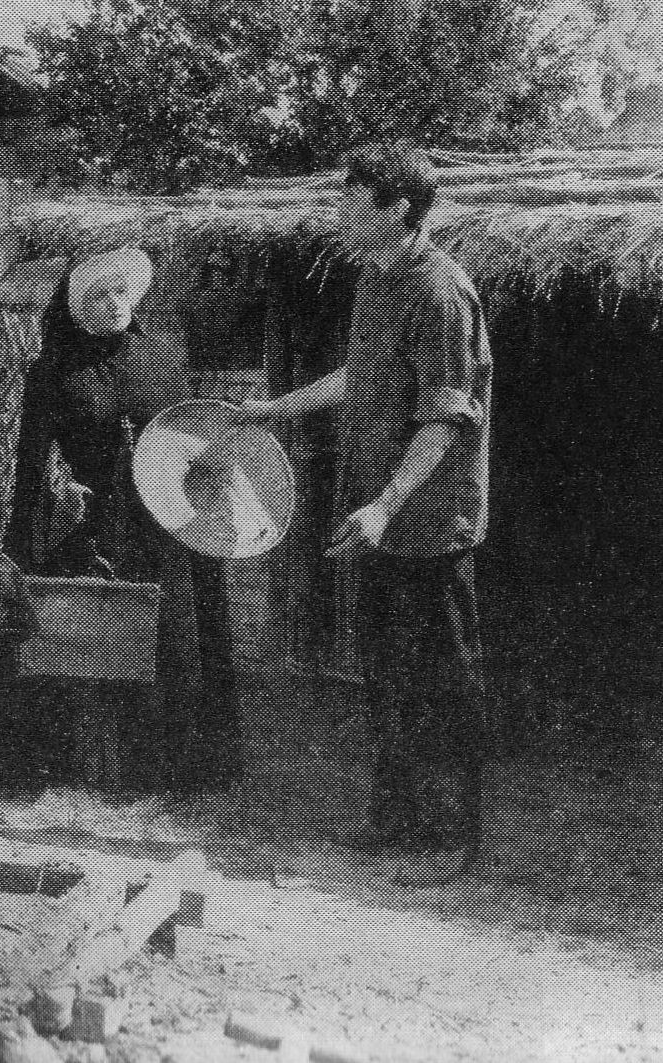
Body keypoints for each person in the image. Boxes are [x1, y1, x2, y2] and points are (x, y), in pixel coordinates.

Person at [232, 141, 493, 861]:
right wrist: (275, 409)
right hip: (380, 521)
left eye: (352, 200)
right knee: (387, 676)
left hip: (431, 523)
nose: (339, 212)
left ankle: (454, 839)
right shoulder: (375, 282)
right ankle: (399, 820)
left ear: (398, 208)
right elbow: (361, 372)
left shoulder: (442, 291)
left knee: (442, 681)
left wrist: (386, 503)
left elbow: (445, 416)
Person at [4, 247, 246, 792]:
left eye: (121, 294)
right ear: (74, 304)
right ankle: (80, 767)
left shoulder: (155, 348)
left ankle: (183, 766)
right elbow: (34, 455)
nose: (112, 306)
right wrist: (41, 520)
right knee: (92, 644)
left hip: (166, 512)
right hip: (94, 520)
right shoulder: (54, 367)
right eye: (96, 297)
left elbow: (189, 428)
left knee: (178, 636)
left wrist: (210, 498)